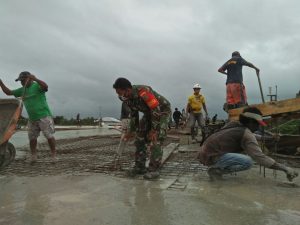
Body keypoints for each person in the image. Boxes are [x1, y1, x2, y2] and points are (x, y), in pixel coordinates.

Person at [198, 107, 298, 182]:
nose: (259, 126)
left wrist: (269, 138)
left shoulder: (234, 124)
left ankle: (217, 167)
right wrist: (285, 168)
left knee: (245, 155)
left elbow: (254, 136)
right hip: (212, 156)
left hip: (205, 152)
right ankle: (216, 170)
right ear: (250, 122)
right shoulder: (246, 134)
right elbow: (259, 157)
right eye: (257, 123)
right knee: (248, 162)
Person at [113, 77, 171, 180]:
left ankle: (154, 170)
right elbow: (134, 115)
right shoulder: (128, 99)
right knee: (139, 138)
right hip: (149, 113)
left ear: (127, 89)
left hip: (161, 112)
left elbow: (156, 109)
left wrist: (154, 130)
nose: (119, 95)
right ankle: (140, 167)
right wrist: (131, 131)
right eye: (117, 93)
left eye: (120, 92)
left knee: (155, 138)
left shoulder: (143, 92)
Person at [0, 71, 56, 163]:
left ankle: (53, 155)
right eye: (20, 81)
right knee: (32, 138)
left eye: (23, 80)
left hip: (44, 116)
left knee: (49, 136)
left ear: (29, 79)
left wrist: (36, 79)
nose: (22, 82)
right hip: (32, 118)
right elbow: (8, 92)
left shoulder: (36, 86)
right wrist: (1, 83)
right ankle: (33, 156)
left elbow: (45, 87)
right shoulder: (22, 90)